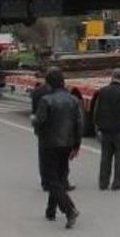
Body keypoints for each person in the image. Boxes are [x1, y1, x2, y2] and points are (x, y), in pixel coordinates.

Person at [33, 67, 81, 229]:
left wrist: (35, 123)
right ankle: (50, 211)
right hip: (67, 143)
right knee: (59, 178)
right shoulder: (73, 100)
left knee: (51, 180)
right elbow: (79, 124)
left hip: (49, 144)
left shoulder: (46, 100)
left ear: (49, 84)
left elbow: (39, 122)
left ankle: (69, 209)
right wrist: (77, 145)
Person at [93, 68, 120, 191]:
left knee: (105, 157)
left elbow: (96, 110)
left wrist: (97, 125)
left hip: (106, 130)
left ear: (111, 77)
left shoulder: (102, 91)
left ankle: (103, 183)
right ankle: (117, 183)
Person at [31, 80, 75, 192]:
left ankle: (46, 182)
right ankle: (63, 182)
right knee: (62, 160)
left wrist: (36, 127)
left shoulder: (37, 92)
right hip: (62, 130)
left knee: (45, 159)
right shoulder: (66, 95)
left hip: (45, 132)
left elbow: (35, 113)